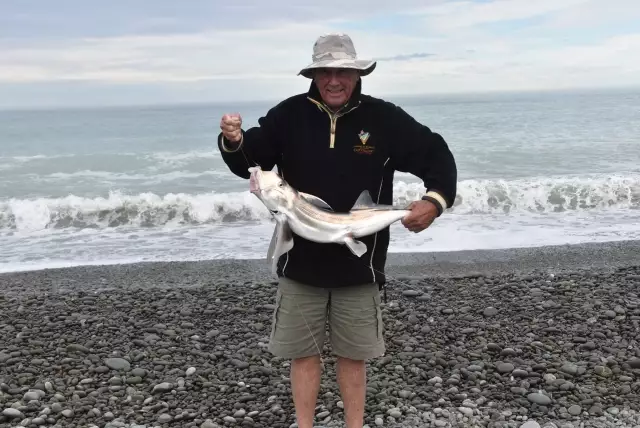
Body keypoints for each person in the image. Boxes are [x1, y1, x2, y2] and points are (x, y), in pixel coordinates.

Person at [217, 33, 457, 428]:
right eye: (324, 71)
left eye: (342, 71)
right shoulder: (288, 115)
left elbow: (436, 153)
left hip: (359, 266)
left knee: (353, 356)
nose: (333, 80)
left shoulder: (383, 119)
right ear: (312, 75)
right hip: (300, 263)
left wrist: (433, 202)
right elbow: (250, 159)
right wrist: (234, 140)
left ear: (356, 73)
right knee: (303, 354)